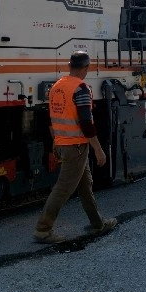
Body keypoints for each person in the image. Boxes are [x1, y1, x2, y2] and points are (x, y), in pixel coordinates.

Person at [33, 51, 117, 244]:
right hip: (76, 146)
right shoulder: (81, 89)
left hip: (64, 143)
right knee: (63, 188)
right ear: (86, 68)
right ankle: (43, 229)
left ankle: (97, 224)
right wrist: (98, 148)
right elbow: (86, 123)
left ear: (70, 66)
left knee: (85, 184)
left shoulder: (57, 86)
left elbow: (50, 119)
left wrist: (55, 141)